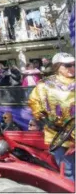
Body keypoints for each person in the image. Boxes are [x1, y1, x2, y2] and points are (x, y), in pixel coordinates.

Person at [29, 52, 75, 181]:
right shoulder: (44, 84)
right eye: (68, 65)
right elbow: (34, 102)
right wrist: (44, 120)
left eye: (74, 65)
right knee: (67, 170)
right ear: (57, 66)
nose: (72, 68)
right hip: (58, 135)